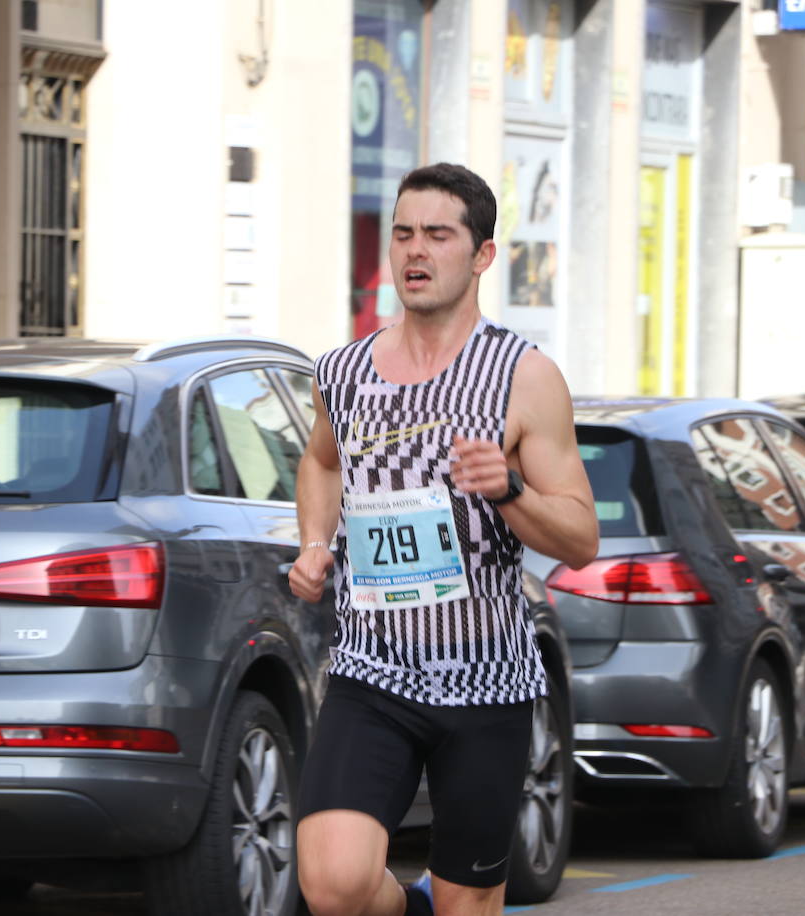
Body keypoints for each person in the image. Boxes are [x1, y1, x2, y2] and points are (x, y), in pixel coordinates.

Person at [288, 162, 598, 916]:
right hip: (373, 668)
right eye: (402, 234)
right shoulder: (344, 372)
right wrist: (314, 542)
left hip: (485, 676)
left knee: (469, 902)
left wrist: (511, 489)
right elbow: (322, 460)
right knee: (331, 883)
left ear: (482, 255)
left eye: (437, 234)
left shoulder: (523, 376)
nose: (415, 251)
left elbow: (581, 536)